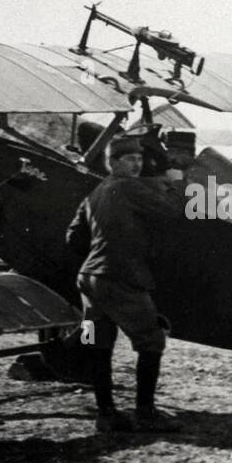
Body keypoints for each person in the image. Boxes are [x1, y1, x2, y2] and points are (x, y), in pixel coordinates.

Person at [66, 134, 184, 433]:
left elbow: (73, 238)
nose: (137, 164)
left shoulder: (95, 193)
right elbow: (171, 211)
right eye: (130, 159)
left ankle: (106, 414)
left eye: (139, 159)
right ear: (113, 162)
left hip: (90, 279)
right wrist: (173, 182)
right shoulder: (129, 187)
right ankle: (145, 413)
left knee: (100, 346)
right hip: (120, 278)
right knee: (152, 340)